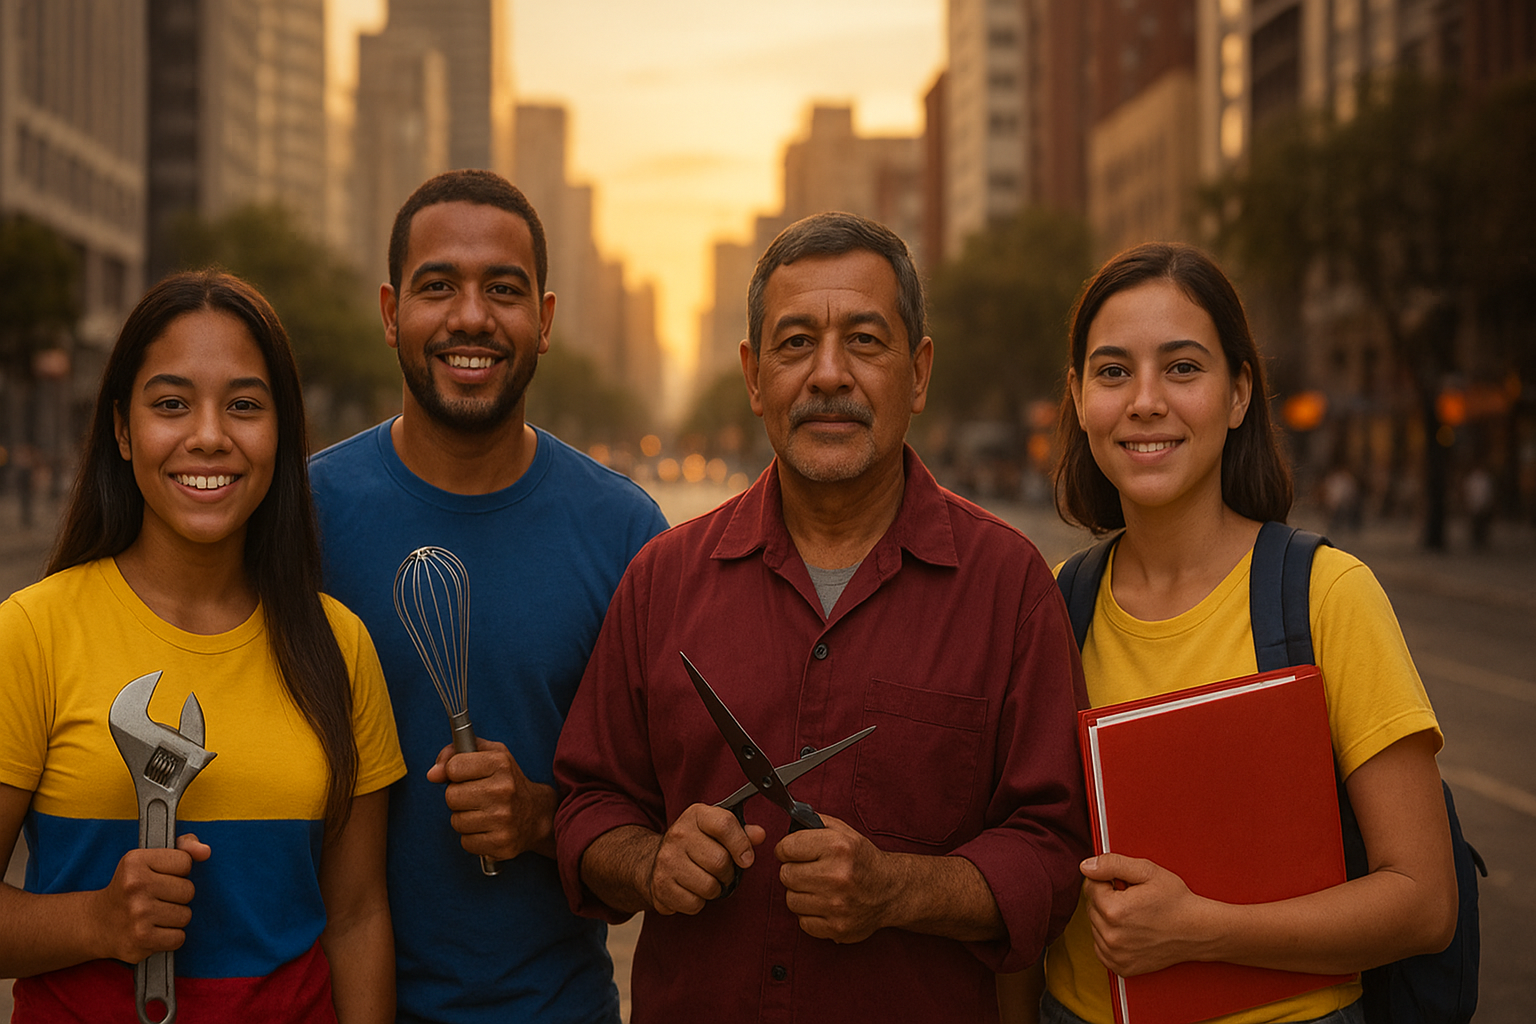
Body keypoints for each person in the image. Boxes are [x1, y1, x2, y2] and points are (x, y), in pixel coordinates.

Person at [553, 211, 1092, 1021]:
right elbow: (588, 804)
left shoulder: (1008, 587)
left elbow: (1055, 850)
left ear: (918, 372)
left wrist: (898, 889)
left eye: (866, 342)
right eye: (796, 342)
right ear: (753, 374)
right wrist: (651, 862)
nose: (829, 375)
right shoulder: (662, 580)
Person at [1035, 242, 1457, 1024]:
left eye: (1184, 368)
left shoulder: (1327, 594)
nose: (1145, 401)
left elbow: (1425, 901)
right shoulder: (1060, 602)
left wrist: (1201, 932)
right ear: (1078, 396)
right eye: (1113, 370)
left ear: (1238, 395)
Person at [308, 168, 668, 1024]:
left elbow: (659, 829)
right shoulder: (300, 515)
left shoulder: (625, 532)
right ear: (393, 311)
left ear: (542, 322)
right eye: (439, 287)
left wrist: (543, 817)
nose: (470, 317)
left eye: (502, 290)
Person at [0, 270, 405, 1022]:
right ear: (123, 429)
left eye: (245, 406)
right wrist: (95, 921)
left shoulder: (338, 646)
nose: (210, 435)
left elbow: (356, 919)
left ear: (281, 432)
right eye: (171, 404)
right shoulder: (32, 632)